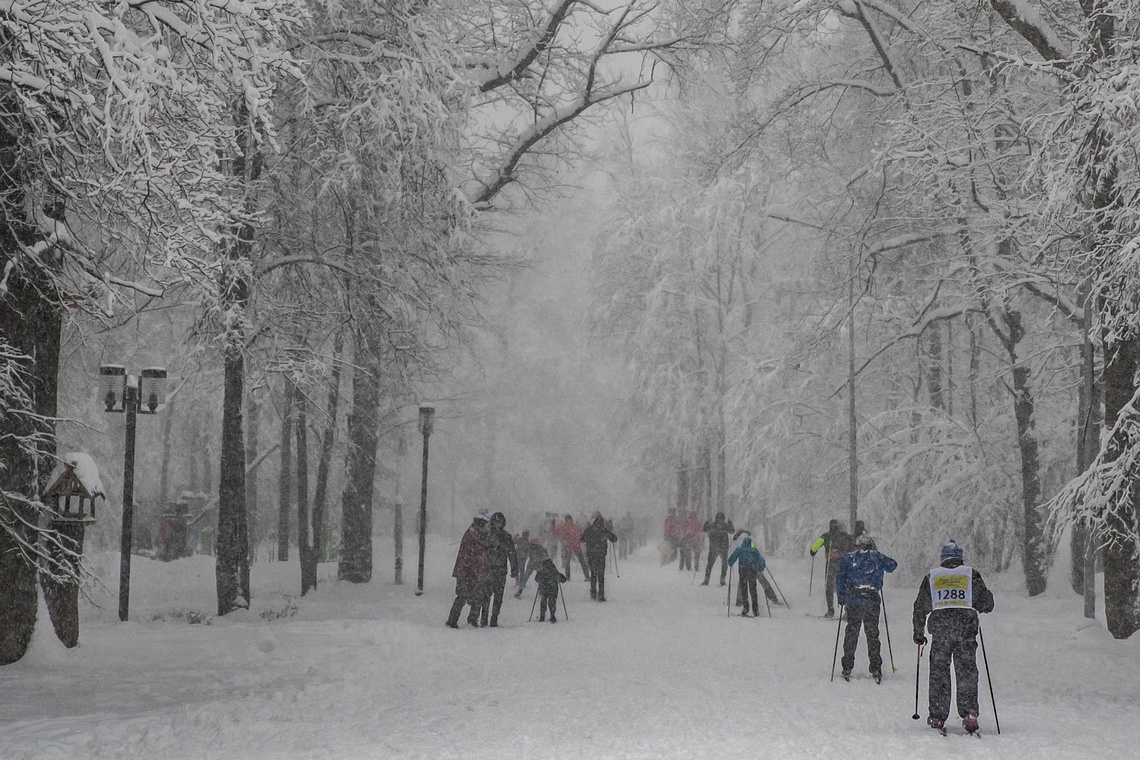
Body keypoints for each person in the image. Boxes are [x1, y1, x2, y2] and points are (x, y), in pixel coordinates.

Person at [912, 539, 995, 734]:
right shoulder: (970, 575)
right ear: (960, 558)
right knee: (966, 671)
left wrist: (918, 632)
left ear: (943, 559)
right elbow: (986, 604)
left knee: (939, 673)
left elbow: (920, 607)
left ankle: (938, 716)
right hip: (965, 630)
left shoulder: (932, 577)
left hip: (941, 631)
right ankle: (969, 714)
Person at [835, 533, 898, 683]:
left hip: (854, 599)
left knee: (852, 632)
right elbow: (892, 565)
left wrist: (842, 597)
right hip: (872, 600)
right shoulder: (877, 556)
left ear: (856, 545)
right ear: (870, 545)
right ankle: (875, 667)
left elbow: (840, 577)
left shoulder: (849, 558)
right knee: (872, 634)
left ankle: (847, 666)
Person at [446, 511, 490, 628]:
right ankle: (453, 620)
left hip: (471, 572)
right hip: (466, 572)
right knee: (463, 596)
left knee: (476, 596)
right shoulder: (472, 535)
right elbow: (475, 554)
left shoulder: (475, 534)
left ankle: (471, 620)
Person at [809, 519, 853, 617]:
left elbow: (813, 548)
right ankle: (847, 610)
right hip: (843, 564)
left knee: (829, 586)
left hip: (830, 564)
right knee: (844, 586)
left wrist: (813, 552)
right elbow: (853, 545)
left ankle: (830, 610)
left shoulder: (826, 536)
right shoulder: (845, 536)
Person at [481, 512, 518, 627]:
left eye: (500, 522)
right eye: (496, 522)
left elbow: (512, 553)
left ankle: (494, 619)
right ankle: (484, 618)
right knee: (486, 596)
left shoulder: (506, 537)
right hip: (488, 569)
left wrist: (514, 568)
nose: (498, 524)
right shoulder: (487, 534)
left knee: (498, 596)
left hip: (501, 570)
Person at [727, 529, 767, 617]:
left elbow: (731, 560)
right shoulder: (754, 551)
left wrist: (730, 563)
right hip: (752, 571)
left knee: (744, 589)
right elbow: (762, 561)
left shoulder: (740, 549)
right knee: (753, 589)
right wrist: (760, 567)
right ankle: (755, 609)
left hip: (743, 571)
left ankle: (746, 607)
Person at [580, 512, 618, 601]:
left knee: (593, 573)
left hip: (591, 554)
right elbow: (614, 539)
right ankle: (601, 594)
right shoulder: (604, 530)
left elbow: (581, 539)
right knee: (601, 574)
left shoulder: (589, 530)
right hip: (601, 554)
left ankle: (593, 592)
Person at [701, 512, 735, 586]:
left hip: (713, 547)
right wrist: (730, 523)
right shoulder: (725, 525)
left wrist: (706, 522)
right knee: (724, 563)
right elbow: (732, 531)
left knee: (709, 564)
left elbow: (704, 529)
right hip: (723, 547)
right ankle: (722, 580)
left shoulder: (712, 525)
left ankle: (706, 580)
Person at [553, 514, 589, 581]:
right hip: (576, 546)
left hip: (567, 546)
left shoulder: (563, 526)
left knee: (567, 563)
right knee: (582, 561)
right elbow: (582, 534)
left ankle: (568, 577)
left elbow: (556, 534)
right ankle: (587, 576)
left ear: (565, 519)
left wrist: (555, 526)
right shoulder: (576, 526)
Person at [534, 556, 567, 623]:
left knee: (543, 600)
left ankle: (542, 615)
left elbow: (536, 579)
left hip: (543, 588)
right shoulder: (554, 570)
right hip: (553, 588)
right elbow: (563, 580)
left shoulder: (541, 570)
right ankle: (552, 615)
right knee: (552, 601)